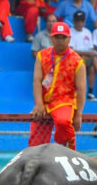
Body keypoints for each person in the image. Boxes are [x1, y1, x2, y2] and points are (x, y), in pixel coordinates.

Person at [29, 21, 86, 150]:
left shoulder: (77, 61)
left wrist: (79, 114)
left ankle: (66, 147)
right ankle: (37, 157)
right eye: (57, 37)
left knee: (63, 122)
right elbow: (37, 81)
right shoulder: (41, 55)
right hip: (43, 101)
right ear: (51, 38)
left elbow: (82, 90)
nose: (60, 40)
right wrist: (39, 104)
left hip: (64, 101)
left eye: (63, 37)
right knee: (35, 141)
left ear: (69, 39)